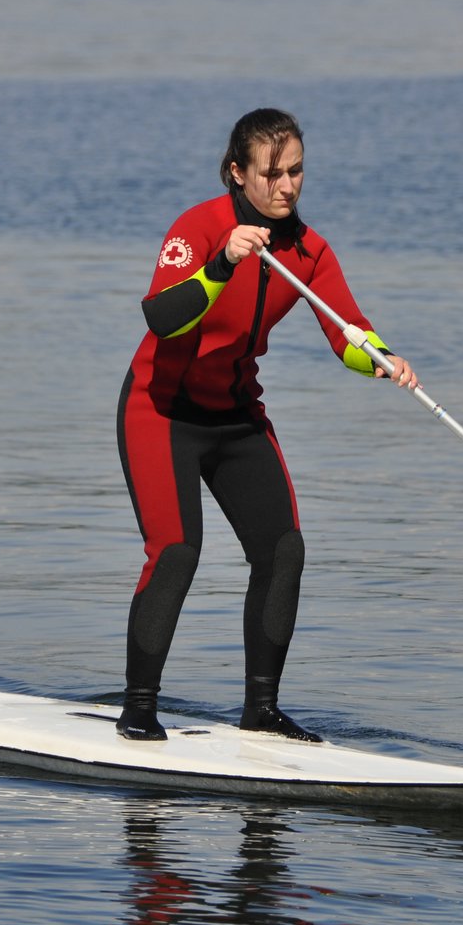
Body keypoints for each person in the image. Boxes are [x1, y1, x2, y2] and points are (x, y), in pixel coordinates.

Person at [115, 107, 419, 742]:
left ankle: (261, 708)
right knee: (176, 553)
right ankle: (139, 708)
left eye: (297, 171)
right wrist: (222, 263)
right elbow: (162, 318)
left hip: (236, 419)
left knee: (282, 551)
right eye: (273, 173)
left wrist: (384, 360)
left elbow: (348, 335)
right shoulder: (198, 229)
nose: (288, 185)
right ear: (237, 173)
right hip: (161, 412)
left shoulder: (308, 251)